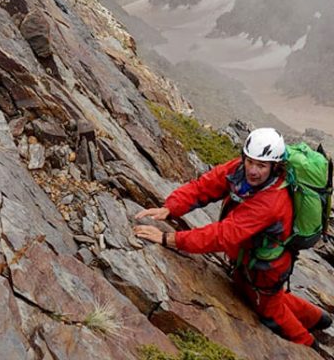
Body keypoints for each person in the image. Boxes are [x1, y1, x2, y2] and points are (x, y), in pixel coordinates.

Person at [133, 127, 332, 353]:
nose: (253, 170)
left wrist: (169, 238)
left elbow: (223, 235)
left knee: (269, 309)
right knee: (267, 295)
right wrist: (170, 208)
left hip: (266, 267)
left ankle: (312, 346)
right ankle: (320, 319)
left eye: (261, 165)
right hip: (248, 255)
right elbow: (205, 186)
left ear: (275, 167)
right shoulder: (239, 170)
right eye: (250, 161)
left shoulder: (272, 202)